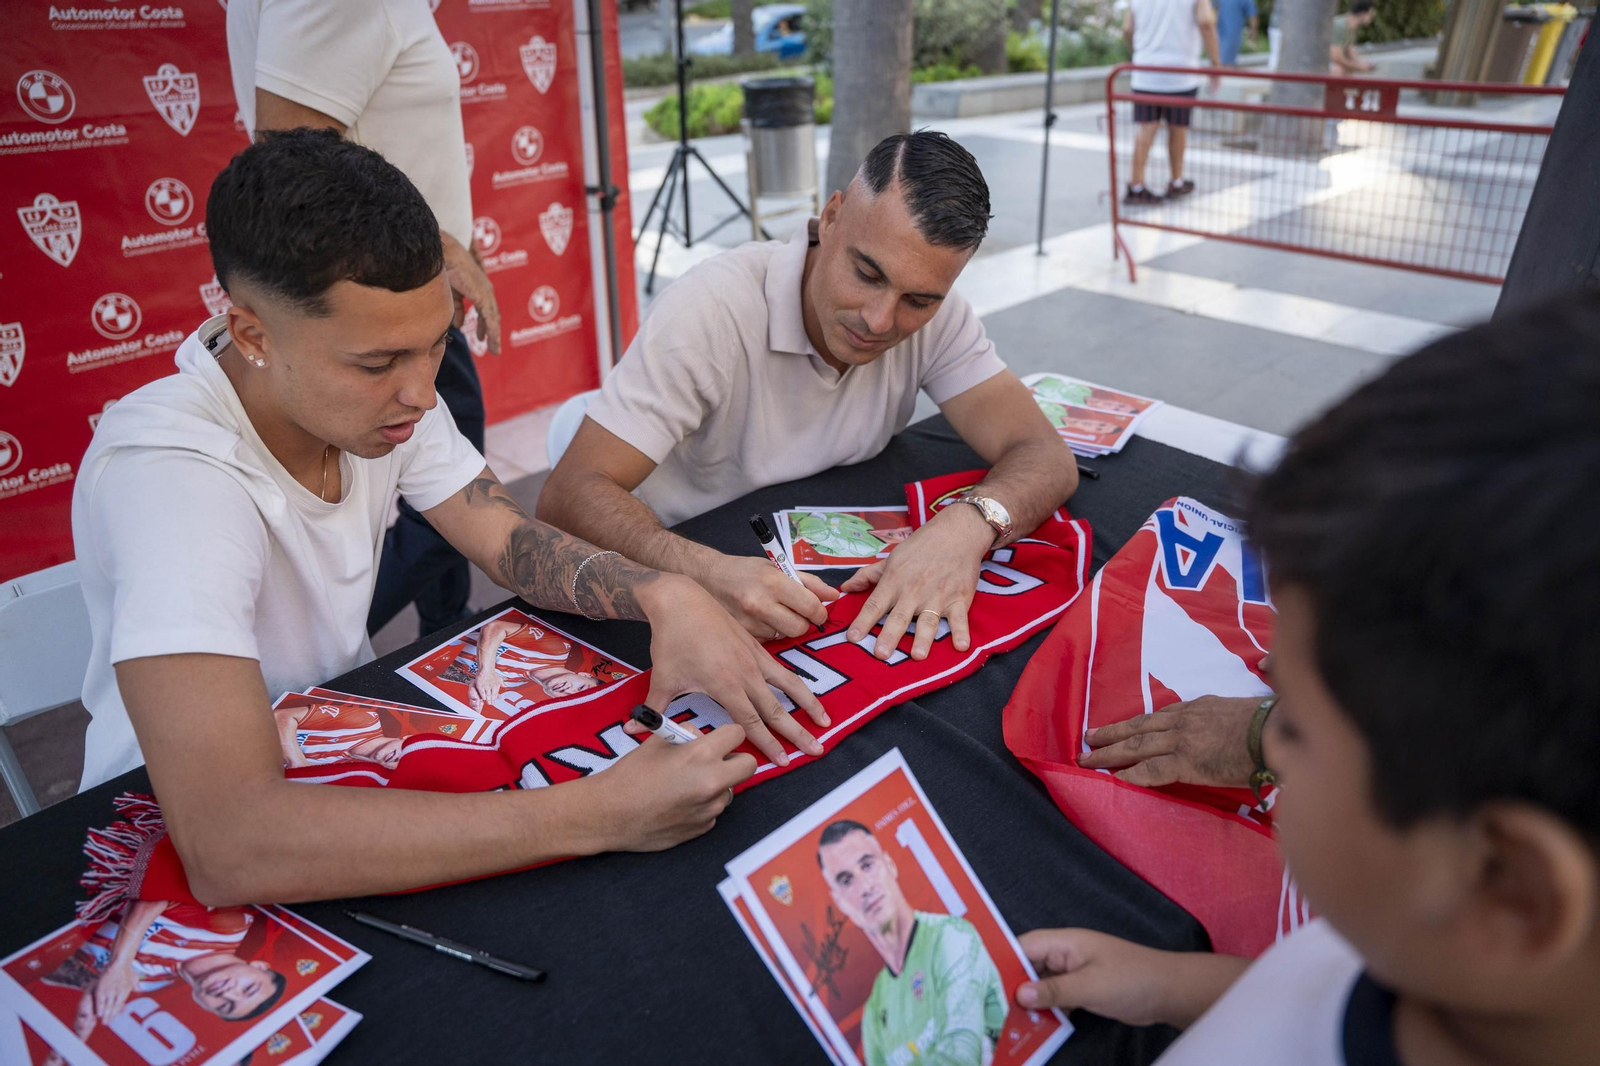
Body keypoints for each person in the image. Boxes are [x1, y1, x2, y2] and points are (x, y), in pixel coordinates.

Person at [71, 129, 825, 905]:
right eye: (377, 364)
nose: (422, 394)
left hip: (337, 755)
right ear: (252, 334)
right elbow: (229, 843)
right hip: (162, 831)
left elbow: (506, 540)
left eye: (436, 345)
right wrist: (595, 814)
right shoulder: (172, 478)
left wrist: (666, 594)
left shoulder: (380, 396)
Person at [1014, 293, 1600, 1065]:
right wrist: (1166, 984)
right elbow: (1335, 994)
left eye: (1289, 725)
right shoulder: (1429, 946)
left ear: (1509, 886)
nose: (1257, 729)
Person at [539, 132, 1077, 663]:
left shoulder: (941, 317)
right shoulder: (710, 309)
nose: (879, 320)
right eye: (866, 273)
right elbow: (567, 496)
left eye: (918, 301)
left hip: (804, 557)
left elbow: (1044, 454)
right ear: (831, 217)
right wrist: (704, 571)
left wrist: (967, 525)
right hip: (672, 556)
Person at [227, 0, 501, 641]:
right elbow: (291, 163)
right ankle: (331, 645)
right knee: (443, 518)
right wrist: (441, 247)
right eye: (382, 368)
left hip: (402, 300)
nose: (420, 393)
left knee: (446, 488)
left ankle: (443, 625)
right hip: (383, 301)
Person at [816, 820, 1007, 1066]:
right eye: (846, 880)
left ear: (890, 865)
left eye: (868, 865)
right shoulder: (874, 1011)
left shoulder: (951, 936)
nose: (865, 887)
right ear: (840, 902)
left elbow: (962, 1056)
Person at [41, 900, 285, 1060]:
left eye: (225, 1006)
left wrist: (89, 985)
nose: (228, 994)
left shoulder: (150, 983)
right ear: (259, 966)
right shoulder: (230, 927)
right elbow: (155, 895)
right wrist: (119, 964)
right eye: (248, 988)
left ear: (205, 1007)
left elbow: (48, 969)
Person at [1122, 0, 1223, 204]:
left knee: (1146, 129)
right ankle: (1176, 182)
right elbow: (1206, 21)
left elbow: (1127, 28)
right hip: (1181, 73)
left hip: (1145, 71)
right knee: (1178, 128)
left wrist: (1141, 54)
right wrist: (1215, 64)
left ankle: (1136, 185)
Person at [452, 616, 605, 714]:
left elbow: (449, 669)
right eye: (581, 687)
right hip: (459, 623)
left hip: (442, 639)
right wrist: (486, 671)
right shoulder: (557, 650)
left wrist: (470, 682)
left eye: (568, 698)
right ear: (585, 675)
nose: (568, 690)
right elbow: (494, 627)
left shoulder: (512, 683)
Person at [273, 701, 404, 769]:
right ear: (408, 739)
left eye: (406, 766)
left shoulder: (348, 773)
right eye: (409, 753)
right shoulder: (367, 722)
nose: (400, 759)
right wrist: (298, 766)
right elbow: (280, 716)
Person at [1330, 0, 1377, 75]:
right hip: (1320, 63)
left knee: (1349, 70)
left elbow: (1352, 54)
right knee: (1338, 69)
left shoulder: (1351, 27)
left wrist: (1364, 64)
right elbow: (1336, 58)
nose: (1372, 17)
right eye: (1370, 13)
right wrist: (1358, 67)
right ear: (1362, 13)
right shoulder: (1340, 26)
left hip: (1332, 62)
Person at [1215, 0, 1257, 65]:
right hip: (1229, 36)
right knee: (1224, 64)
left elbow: (1252, 16)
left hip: (1228, 37)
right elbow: (1253, 16)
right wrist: (1252, 36)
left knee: (1224, 64)